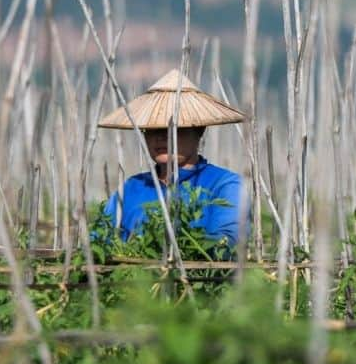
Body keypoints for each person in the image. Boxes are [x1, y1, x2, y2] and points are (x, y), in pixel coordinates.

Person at [98, 69, 247, 248]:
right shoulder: (131, 188)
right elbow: (98, 240)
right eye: (153, 129)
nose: (161, 137)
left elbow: (227, 243)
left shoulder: (223, 185)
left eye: (174, 129)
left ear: (199, 130)